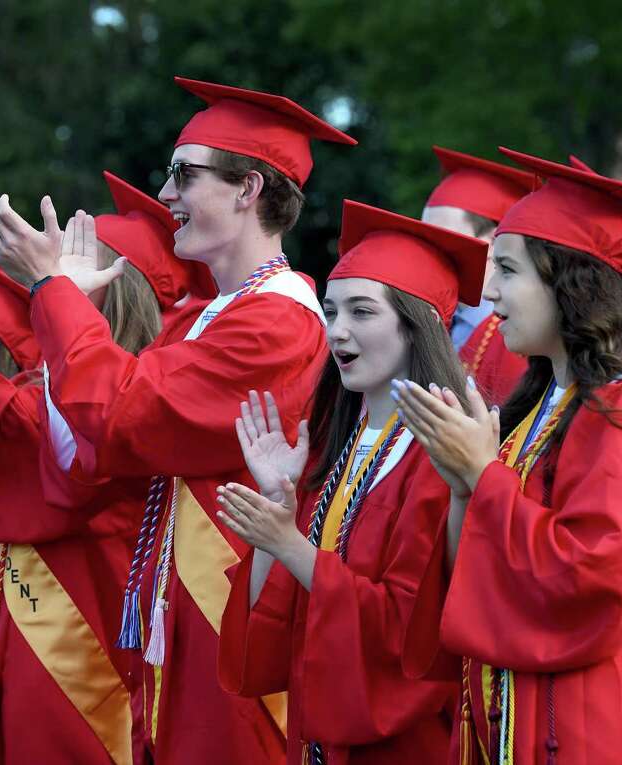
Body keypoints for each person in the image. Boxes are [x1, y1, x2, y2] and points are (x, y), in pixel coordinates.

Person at [0, 77, 349, 763]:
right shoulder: (217, 315)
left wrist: (52, 288)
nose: (168, 194)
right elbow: (97, 436)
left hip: (232, 615)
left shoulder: (279, 322)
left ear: (248, 189)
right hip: (183, 623)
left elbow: (123, 411)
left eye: (184, 174)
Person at [394, 148, 622, 764]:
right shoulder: (543, 404)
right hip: (527, 711)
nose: (487, 293)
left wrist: (483, 475)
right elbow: (472, 569)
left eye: (508, 270)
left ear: (570, 281)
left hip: (598, 722)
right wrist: (464, 480)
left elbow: (597, 578)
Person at [0, 170, 205, 763]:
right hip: (11, 628)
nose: (52, 266)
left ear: (116, 284)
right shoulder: (48, 383)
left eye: (72, 255)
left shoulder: (133, 395)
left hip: (82, 643)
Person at [216, 199, 484, 763]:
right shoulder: (336, 448)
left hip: (403, 743)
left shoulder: (444, 458)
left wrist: (291, 545)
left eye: (362, 312)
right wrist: (278, 509)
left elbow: (409, 628)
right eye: (331, 312)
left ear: (416, 326)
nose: (337, 331)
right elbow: (280, 621)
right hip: (317, 734)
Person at [422, 147, 535, 403]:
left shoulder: (518, 340)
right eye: (425, 235)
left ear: (493, 242)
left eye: (443, 237)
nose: (428, 249)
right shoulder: (435, 323)